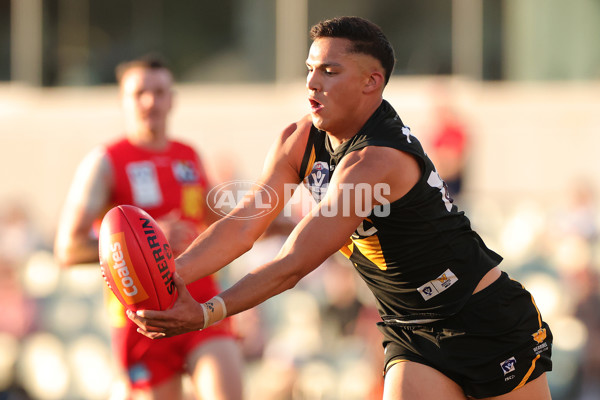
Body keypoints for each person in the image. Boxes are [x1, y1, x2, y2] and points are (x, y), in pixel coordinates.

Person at [128, 17, 553, 400]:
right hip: (411, 331)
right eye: (310, 69)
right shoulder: (297, 140)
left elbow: (293, 263)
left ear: (372, 82)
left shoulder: (375, 161)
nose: (313, 83)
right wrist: (168, 277)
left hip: (485, 320)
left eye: (330, 71)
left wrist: (205, 312)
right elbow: (242, 227)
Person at [53, 55, 243, 400]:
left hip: (200, 304)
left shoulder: (188, 155)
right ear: (122, 100)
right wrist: (146, 243)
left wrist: (297, 223)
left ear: (172, 99)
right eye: (140, 92)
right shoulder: (106, 161)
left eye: (159, 91)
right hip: (143, 320)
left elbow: (224, 224)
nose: (150, 101)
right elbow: (67, 249)